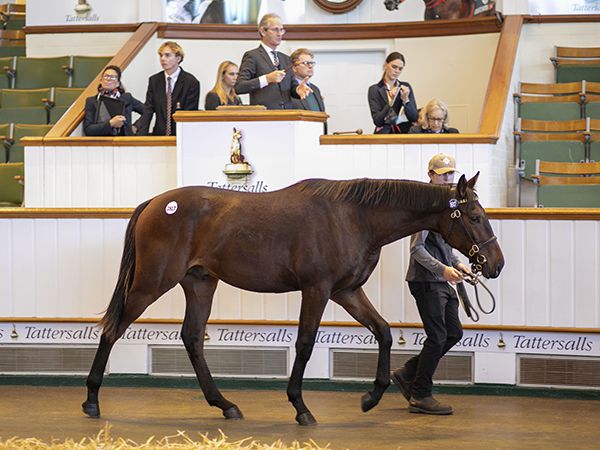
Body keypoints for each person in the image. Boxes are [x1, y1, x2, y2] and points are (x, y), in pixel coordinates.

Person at [390, 153, 470, 415]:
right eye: (443, 173)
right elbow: (418, 250)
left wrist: (455, 262)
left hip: (441, 280)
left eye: (451, 173)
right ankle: (421, 394)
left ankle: (408, 373)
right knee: (437, 336)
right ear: (431, 175)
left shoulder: (448, 206)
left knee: (453, 333)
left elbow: (445, 245)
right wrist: (443, 269)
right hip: (426, 280)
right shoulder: (425, 207)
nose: (448, 178)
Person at [235, 13, 310, 110]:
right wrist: (266, 79)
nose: (279, 34)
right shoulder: (252, 56)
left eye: (281, 30)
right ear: (262, 31)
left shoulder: (286, 59)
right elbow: (239, 87)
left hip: (287, 117)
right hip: (265, 117)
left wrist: (298, 90)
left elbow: (292, 87)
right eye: (275, 30)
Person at [136, 41, 200, 136]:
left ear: (178, 58)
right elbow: (148, 109)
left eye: (167, 55)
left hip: (182, 136)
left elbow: (189, 114)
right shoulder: (154, 80)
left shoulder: (191, 82)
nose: (162, 59)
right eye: (161, 55)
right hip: (159, 135)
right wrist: (141, 136)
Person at [83, 65, 144, 136]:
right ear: (101, 81)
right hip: (102, 143)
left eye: (113, 77)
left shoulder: (127, 98)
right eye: (106, 76)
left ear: (118, 83)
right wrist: (110, 123)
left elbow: (147, 111)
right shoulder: (92, 101)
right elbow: (88, 130)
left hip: (125, 142)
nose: (108, 79)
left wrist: (135, 127)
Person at [367, 52, 418, 134]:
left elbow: (414, 117)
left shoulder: (405, 87)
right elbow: (377, 121)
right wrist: (391, 102)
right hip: (383, 134)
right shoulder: (374, 89)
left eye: (400, 69)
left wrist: (406, 100)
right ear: (386, 65)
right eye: (394, 67)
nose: (397, 71)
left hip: (403, 132)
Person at [290, 48, 327, 133]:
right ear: (294, 68)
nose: (310, 66)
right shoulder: (288, 90)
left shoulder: (315, 89)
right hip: (300, 135)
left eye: (312, 63)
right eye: (306, 63)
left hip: (319, 135)